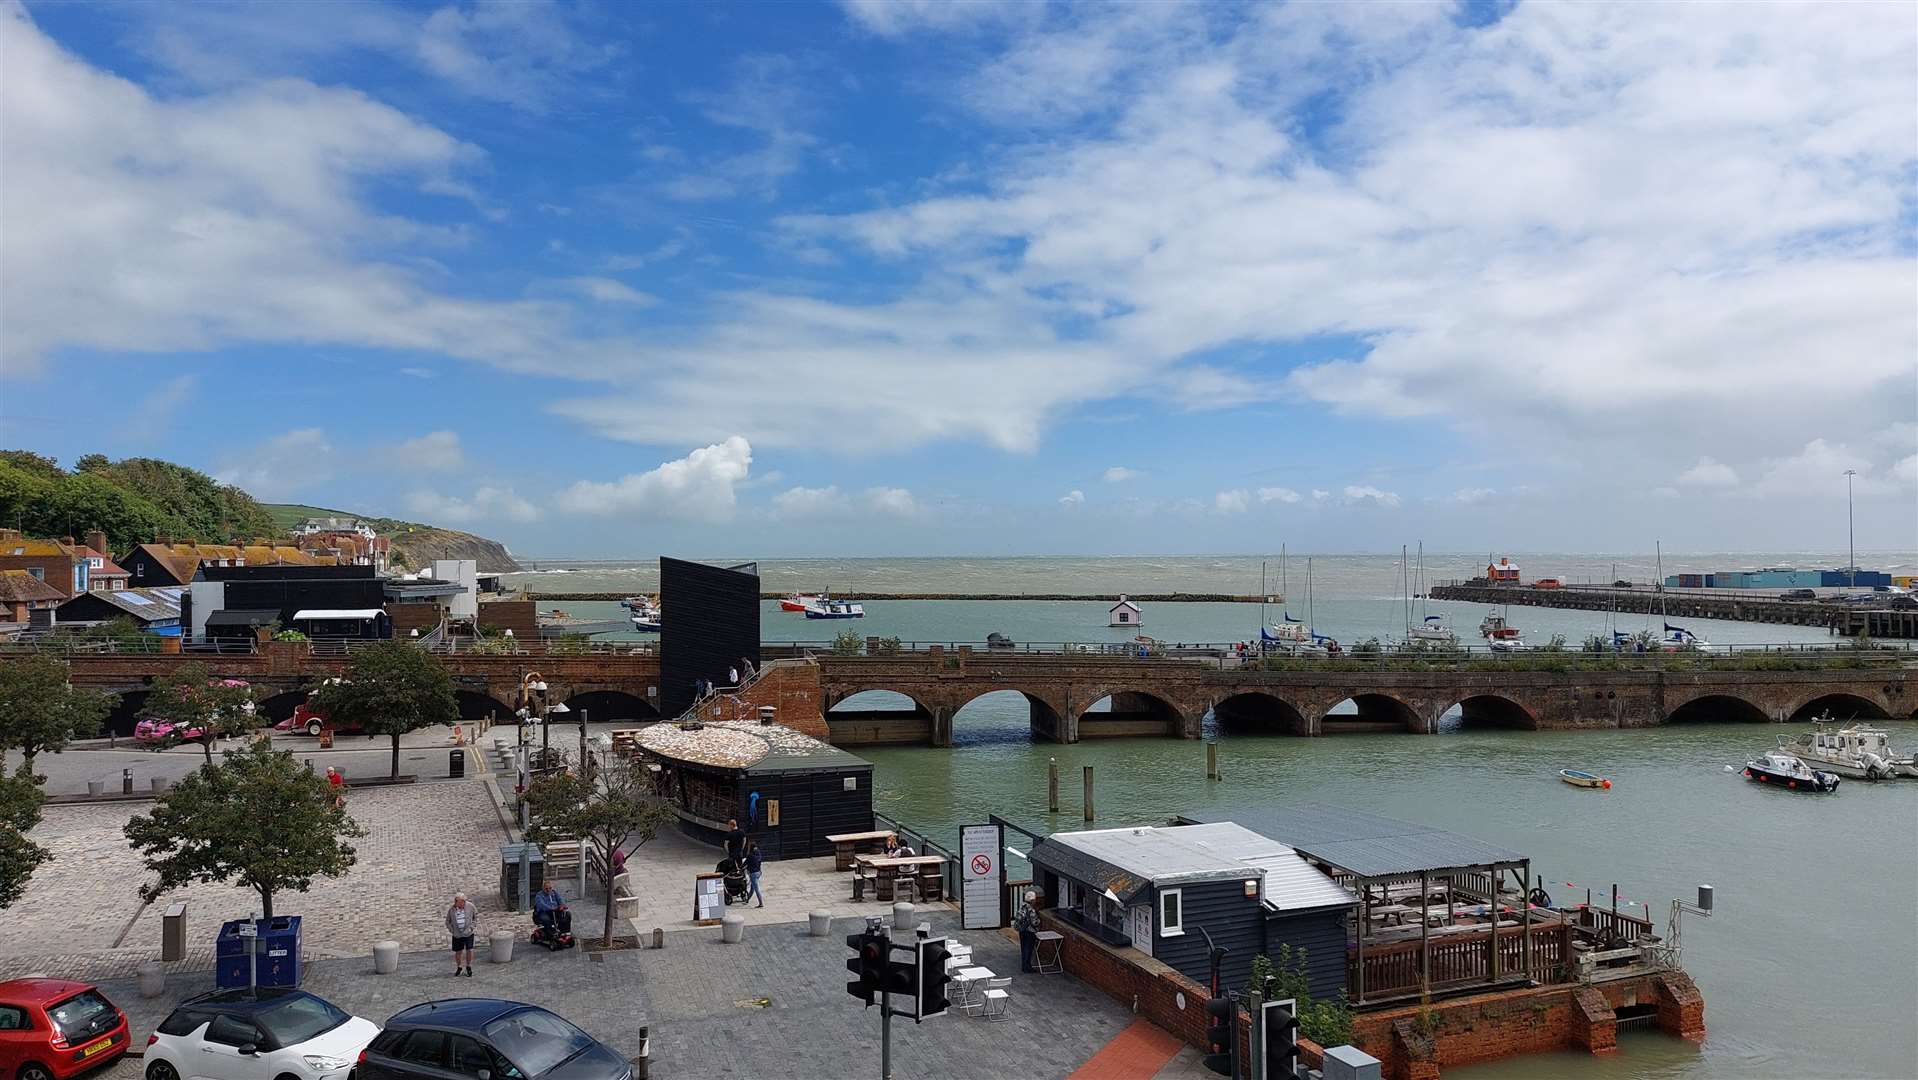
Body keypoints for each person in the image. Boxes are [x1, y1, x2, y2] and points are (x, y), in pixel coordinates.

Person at [446, 893, 479, 977]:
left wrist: (472, 927)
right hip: (457, 935)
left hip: (468, 933)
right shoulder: (452, 910)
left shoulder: (470, 906)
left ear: (463, 902)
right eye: (456, 901)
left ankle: (468, 966)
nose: (456, 903)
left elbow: (476, 917)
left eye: (458, 901)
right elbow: (447, 921)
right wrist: (452, 930)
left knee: (469, 950)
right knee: (458, 952)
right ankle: (459, 967)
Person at [1015, 891, 1043, 973]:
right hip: (1029, 931)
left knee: (1023, 949)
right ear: (1032, 900)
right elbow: (1034, 922)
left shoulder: (1022, 906)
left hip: (1022, 930)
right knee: (1029, 949)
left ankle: (1024, 966)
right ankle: (1027, 967)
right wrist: (1039, 920)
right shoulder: (1031, 909)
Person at [744, 839, 764, 908]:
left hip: (753, 873)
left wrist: (739, 868)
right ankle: (747, 899)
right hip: (759, 872)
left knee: (756, 889)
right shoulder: (758, 853)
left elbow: (745, 863)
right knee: (752, 887)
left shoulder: (750, 855)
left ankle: (761, 903)